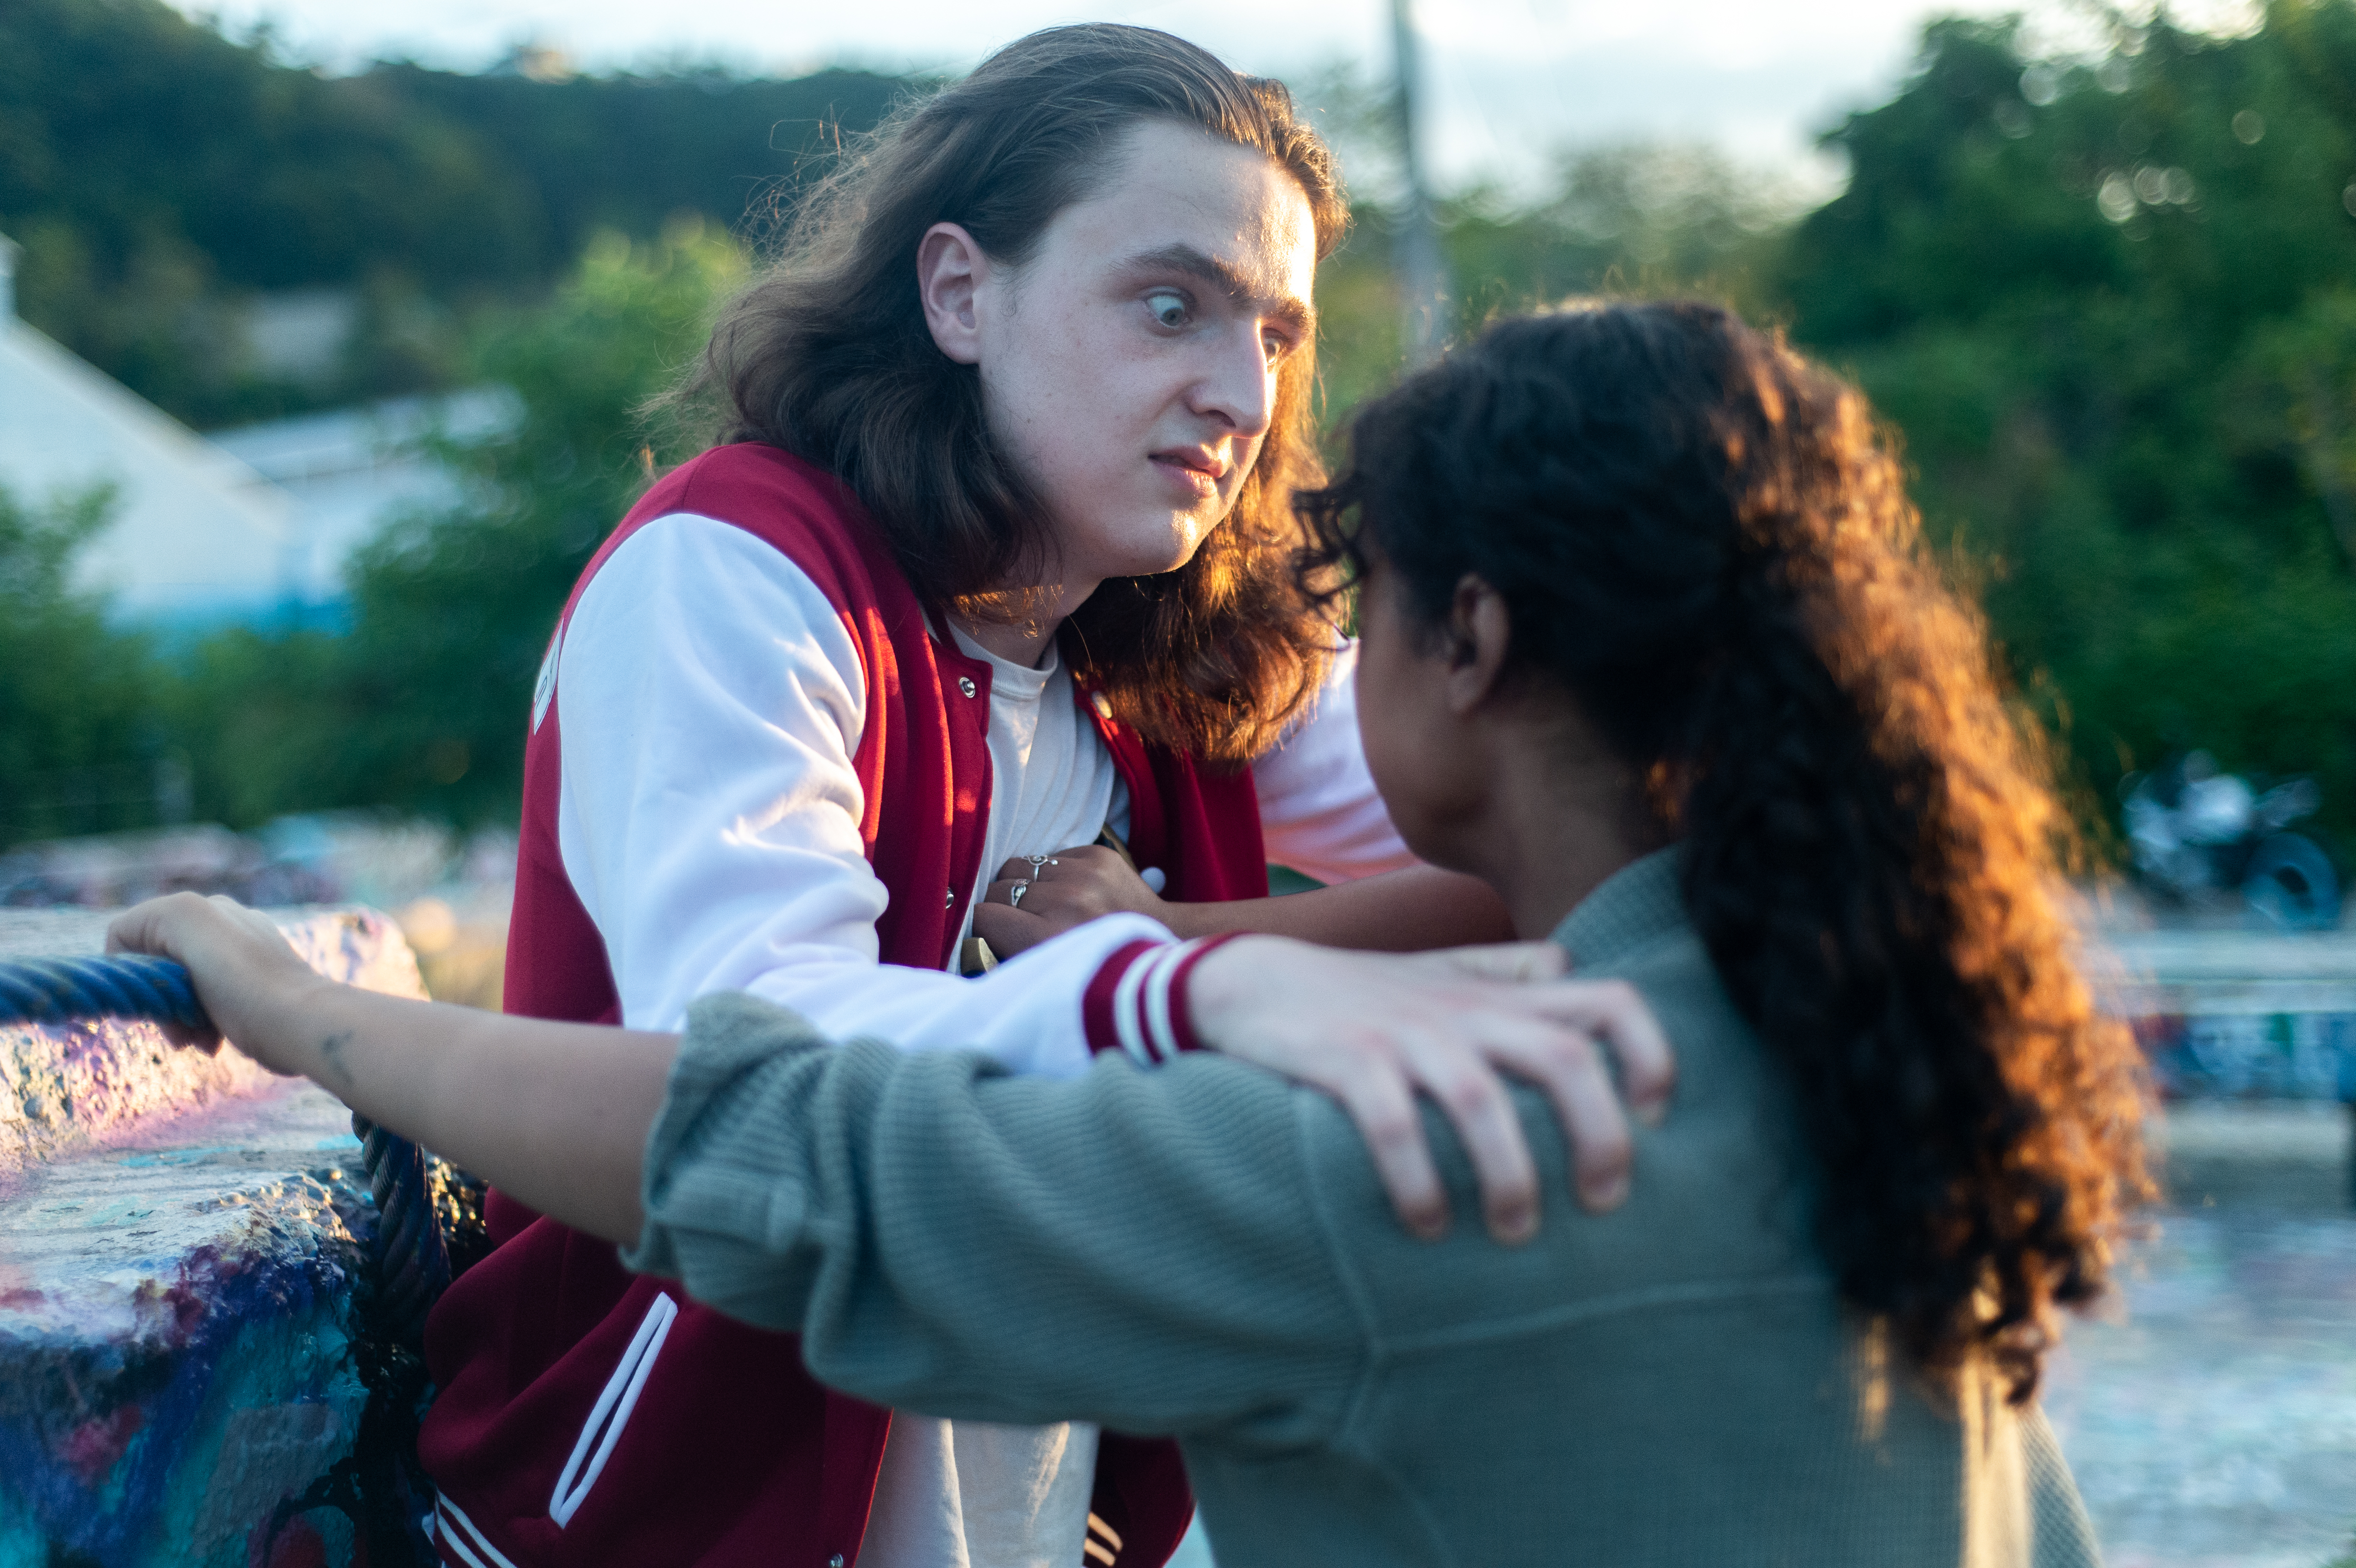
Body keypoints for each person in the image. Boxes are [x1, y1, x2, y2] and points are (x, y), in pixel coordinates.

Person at [117, 300, 2151, 1566]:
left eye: (1368, 606)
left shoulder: (1425, 1151)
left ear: (1471, 640)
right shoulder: (1867, 1045)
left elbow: (761, 1146)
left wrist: (304, 1009)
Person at [430, 24, 1671, 1568]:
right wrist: (1164, 987)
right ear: (960, 292)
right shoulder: (732, 568)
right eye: (1171, 306)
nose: (1239, 393)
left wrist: (1190, 940)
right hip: (648, 1527)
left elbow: (1608, 830)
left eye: (1276, 334)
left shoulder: (1172, 652)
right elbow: (742, 1066)